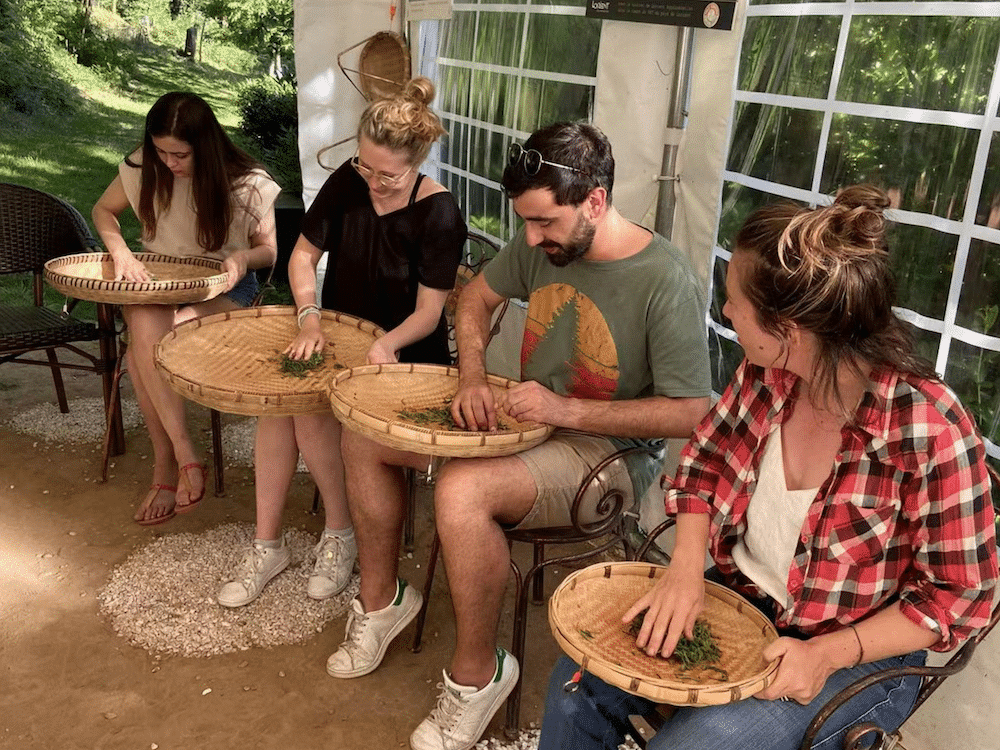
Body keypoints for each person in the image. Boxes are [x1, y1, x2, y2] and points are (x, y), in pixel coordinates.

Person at [537, 185, 999, 750]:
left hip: (858, 648)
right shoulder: (766, 374)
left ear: (789, 329)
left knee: (693, 746)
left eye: (735, 301)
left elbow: (960, 597)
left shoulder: (929, 429)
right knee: (574, 684)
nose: (725, 311)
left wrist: (826, 654)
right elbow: (704, 463)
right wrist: (685, 569)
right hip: (744, 601)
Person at [329, 121, 713, 750]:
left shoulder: (663, 278)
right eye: (526, 223)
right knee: (364, 435)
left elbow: (691, 412)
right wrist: (473, 377)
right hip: (526, 419)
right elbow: (473, 300)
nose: (531, 239)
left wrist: (570, 411)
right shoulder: (544, 243)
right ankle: (381, 602)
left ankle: (479, 678)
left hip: (608, 458)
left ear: (594, 201)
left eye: (544, 223)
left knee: (461, 491)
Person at [215, 77, 467, 608]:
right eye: (364, 166)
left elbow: (429, 314)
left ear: (419, 162)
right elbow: (302, 257)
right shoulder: (347, 183)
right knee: (275, 403)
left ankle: (340, 534)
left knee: (305, 406)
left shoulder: (440, 212)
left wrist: (385, 346)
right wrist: (309, 317)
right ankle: (267, 543)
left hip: (404, 359)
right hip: (337, 337)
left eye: (389, 175)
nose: (374, 182)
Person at [93, 91, 280, 526]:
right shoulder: (146, 165)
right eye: (160, 151)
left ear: (206, 147)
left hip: (224, 291)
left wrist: (241, 259)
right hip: (161, 285)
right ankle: (182, 456)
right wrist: (121, 253)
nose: (169, 163)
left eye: (179, 154)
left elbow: (269, 251)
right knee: (145, 324)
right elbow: (104, 210)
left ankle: (168, 467)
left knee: (147, 347)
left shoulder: (247, 181)